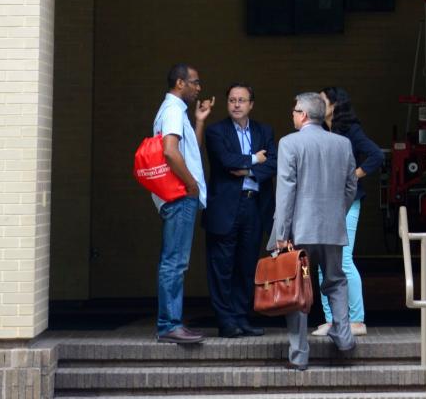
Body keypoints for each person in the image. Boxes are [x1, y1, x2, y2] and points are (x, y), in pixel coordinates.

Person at [270, 92, 358, 372]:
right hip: (332, 228)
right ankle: (344, 339)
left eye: (295, 110)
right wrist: (336, 214)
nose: (292, 115)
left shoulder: (289, 143)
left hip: (299, 230)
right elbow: (350, 187)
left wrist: (282, 233)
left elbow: (286, 191)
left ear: (304, 115)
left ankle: (299, 354)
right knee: (335, 280)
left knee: (297, 288)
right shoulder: (342, 144)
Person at [201, 82, 276, 338]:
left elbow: (274, 163)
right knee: (222, 267)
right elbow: (225, 160)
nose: (236, 104)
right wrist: (256, 159)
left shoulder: (264, 131)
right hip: (224, 208)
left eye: (241, 100)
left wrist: (245, 170)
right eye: (232, 100)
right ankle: (226, 321)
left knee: (246, 266)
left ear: (251, 104)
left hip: (254, 206)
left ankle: (242, 318)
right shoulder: (216, 131)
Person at [310, 86, 383, 338]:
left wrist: (353, 176)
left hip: (347, 200)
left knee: (343, 260)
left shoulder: (350, 130)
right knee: (322, 263)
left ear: (334, 105)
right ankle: (332, 320)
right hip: (324, 203)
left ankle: (356, 320)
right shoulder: (319, 130)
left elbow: (375, 155)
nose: (317, 106)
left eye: (322, 101)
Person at [153, 62, 212, 344]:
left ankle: (172, 322)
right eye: (195, 82)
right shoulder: (173, 110)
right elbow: (170, 151)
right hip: (179, 195)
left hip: (179, 195)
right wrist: (191, 184)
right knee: (175, 262)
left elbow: (191, 152)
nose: (198, 88)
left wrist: (200, 121)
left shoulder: (178, 112)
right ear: (180, 83)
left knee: (176, 261)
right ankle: (169, 325)